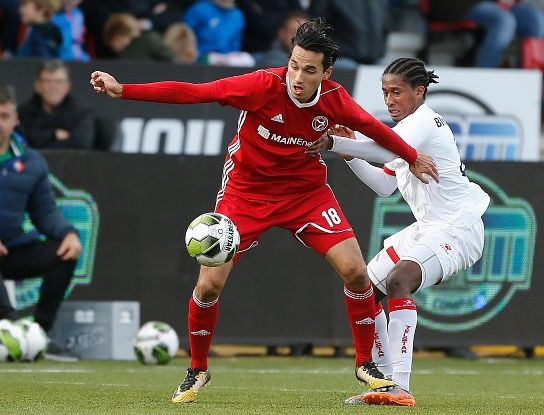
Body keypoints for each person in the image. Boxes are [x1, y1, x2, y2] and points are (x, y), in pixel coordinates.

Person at [90, 19, 439, 404]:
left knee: (357, 271)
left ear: (326, 73)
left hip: (306, 193)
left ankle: (364, 363)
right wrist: (124, 90)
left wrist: (412, 157)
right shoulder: (260, 85)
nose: (297, 77)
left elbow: (375, 129)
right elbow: (195, 92)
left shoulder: (335, 99)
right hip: (247, 192)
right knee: (209, 284)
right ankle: (197, 369)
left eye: (309, 70)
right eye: (294, 65)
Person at [306, 57, 490, 406]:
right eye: (385, 93)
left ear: (419, 92)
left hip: (459, 227)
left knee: (398, 280)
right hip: (428, 228)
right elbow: (384, 185)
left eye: (397, 92)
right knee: (363, 287)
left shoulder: (423, 122)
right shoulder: (405, 128)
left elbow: (382, 146)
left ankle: (401, 387)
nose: (390, 100)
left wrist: (335, 144)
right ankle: (386, 384)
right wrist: (349, 155)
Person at [0, 84, 82, 355]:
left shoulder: (31, 162)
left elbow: (45, 213)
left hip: (10, 250)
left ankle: (40, 335)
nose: (0, 124)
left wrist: (68, 232)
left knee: (65, 253)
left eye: (4, 116)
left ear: (15, 118)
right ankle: (11, 329)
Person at [428, 0, 544, 68]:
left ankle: (530, 79)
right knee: (504, 20)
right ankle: (485, 75)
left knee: (535, 20)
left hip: (494, 4)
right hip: (459, 4)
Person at [18, 59, 95, 150]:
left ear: (68, 86)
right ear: (37, 85)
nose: (53, 87)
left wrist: (38, 141)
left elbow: (80, 146)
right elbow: (20, 145)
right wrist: (53, 135)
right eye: (47, 81)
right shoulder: (22, 113)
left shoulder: (81, 114)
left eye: (59, 81)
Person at [103, 12, 174, 62]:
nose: (112, 48)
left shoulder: (149, 40)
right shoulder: (150, 39)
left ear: (116, 37)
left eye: (111, 42)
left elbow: (173, 60)